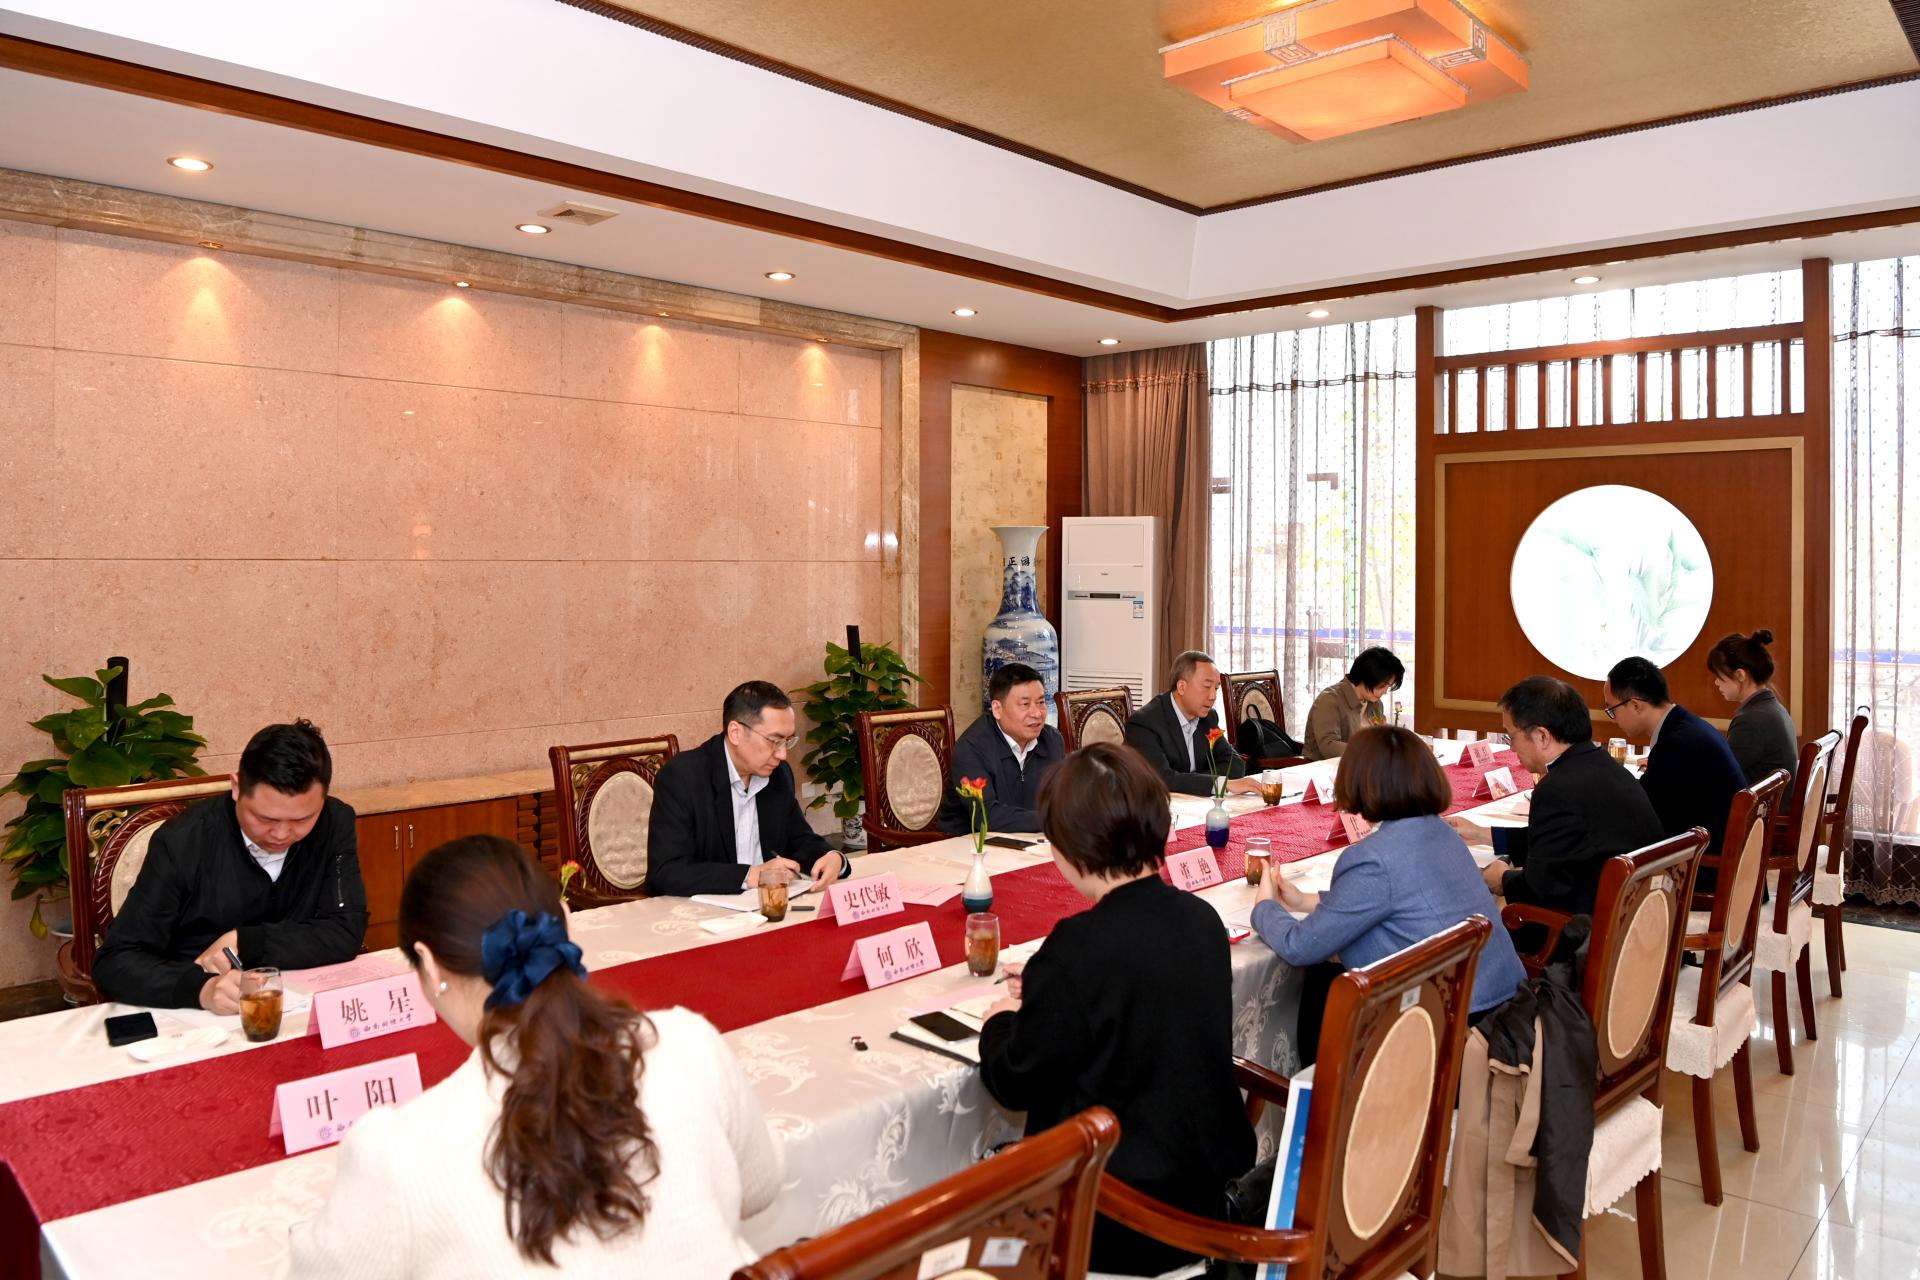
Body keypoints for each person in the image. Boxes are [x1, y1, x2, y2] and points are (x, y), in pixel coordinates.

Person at [288, 836, 781, 1278]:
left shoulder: (398, 1153)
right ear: (566, 925)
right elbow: (759, 1186)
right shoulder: (688, 1042)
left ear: (430, 966)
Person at [978, 743, 1255, 1276]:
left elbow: (1016, 1081)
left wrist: (1000, 1021)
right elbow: (1138, 987)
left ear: (1068, 845)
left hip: (1118, 1214)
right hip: (1205, 1190)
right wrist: (1049, 981)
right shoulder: (1199, 919)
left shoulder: (1078, 946)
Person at [1253, 726, 1527, 1058]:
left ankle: (1317, 1087)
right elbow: (1398, 895)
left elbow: (1299, 946)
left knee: (1322, 983)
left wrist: (1265, 907)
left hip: (1445, 1026)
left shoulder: (1372, 858)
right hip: (1501, 1004)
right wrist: (1305, 901)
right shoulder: (1441, 832)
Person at [93, 720, 367, 1011]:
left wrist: (247, 942)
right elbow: (116, 960)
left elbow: (345, 930)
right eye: (265, 819)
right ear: (236, 788)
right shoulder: (183, 841)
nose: (281, 834)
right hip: (196, 1013)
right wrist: (201, 989)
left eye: (302, 820)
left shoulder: (334, 822)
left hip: (296, 1001)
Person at [1449, 677, 1663, 914]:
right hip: (1641, 912)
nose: (1511, 747)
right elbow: (1559, 840)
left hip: (1589, 924)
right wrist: (1483, 834)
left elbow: (1539, 891)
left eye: (1511, 736)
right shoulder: (1605, 765)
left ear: (1542, 736)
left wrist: (1502, 880)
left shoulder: (1557, 789)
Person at [647, 681, 849, 896]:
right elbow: (666, 870)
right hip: (703, 907)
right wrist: (749, 875)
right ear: (735, 733)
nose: (782, 754)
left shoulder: (778, 774)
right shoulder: (682, 777)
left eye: (787, 741)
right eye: (774, 741)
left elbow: (799, 839)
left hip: (766, 903)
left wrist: (832, 857)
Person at [1605, 655, 1748, 854]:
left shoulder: (1676, 744)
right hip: (1722, 844)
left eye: (1612, 710)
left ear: (1635, 705)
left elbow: (1644, 814)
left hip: (1707, 860)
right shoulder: (1687, 725)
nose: (1613, 719)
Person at [936, 662, 1065, 835]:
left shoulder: (1052, 740)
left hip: (1030, 840)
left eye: (1041, 702)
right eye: (1025, 704)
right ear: (997, 709)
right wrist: (1051, 820)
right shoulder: (971, 748)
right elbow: (986, 816)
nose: (1037, 713)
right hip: (968, 843)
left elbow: (1064, 799)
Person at [1124, 650, 1262, 797]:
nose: (1213, 696)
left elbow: (1234, 763)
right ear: (1182, 687)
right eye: (1206, 686)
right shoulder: (1144, 724)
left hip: (1195, 802)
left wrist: (1191, 781)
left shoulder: (1208, 718)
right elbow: (1162, 780)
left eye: (1216, 688)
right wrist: (1220, 784)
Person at [1709, 628, 1799, 790]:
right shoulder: (1772, 708)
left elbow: (1718, 774)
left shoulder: (1751, 721)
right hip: (1774, 801)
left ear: (1740, 675)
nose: (1716, 683)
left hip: (1761, 805)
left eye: (1719, 676)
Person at [1302, 646, 1406, 761]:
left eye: (1388, 687)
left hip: (1359, 766)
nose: (1385, 692)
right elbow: (1328, 746)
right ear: (1368, 676)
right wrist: (1367, 751)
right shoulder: (1330, 699)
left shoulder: (1376, 704)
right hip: (1322, 768)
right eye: (1383, 685)